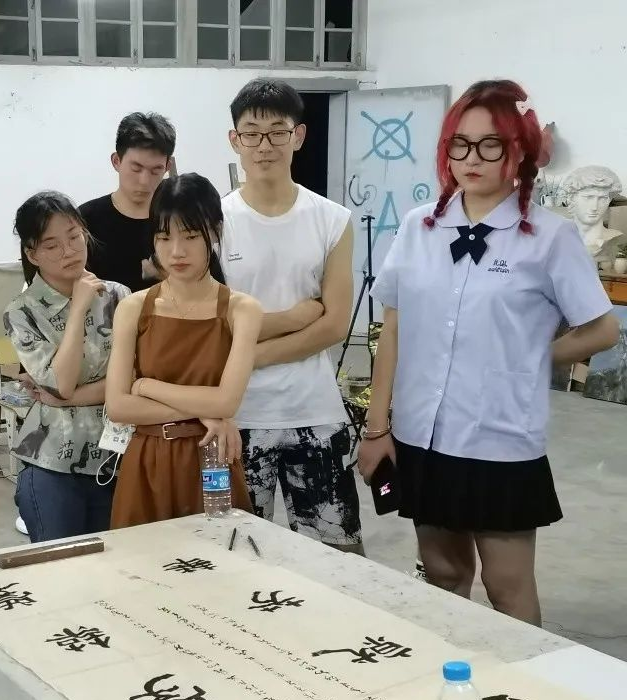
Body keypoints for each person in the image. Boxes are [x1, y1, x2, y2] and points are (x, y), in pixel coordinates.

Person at [357, 79, 618, 626]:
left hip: (500, 437)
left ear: (518, 149)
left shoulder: (549, 237)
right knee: (442, 571)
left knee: (507, 585)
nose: (471, 158)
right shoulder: (419, 227)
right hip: (424, 433)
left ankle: (522, 677)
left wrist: (532, 355)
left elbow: (601, 330)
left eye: (489, 144)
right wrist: (377, 428)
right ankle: (450, 666)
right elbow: (393, 329)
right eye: (460, 143)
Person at [222, 78, 364, 554]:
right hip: (235, 417)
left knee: (336, 559)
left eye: (277, 131)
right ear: (235, 140)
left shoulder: (332, 220)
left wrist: (248, 356)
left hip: (314, 411)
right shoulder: (214, 222)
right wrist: (295, 318)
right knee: (233, 556)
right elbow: (214, 324)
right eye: (252, 133)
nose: (264, 145)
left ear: (298, 136)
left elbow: (334, 324)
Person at [106, 173, 261, 528]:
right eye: (164, 238)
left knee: (219, 554)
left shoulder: (241, 310)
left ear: (215, 232)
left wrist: (144, 386)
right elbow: (118, 407)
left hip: (213, 458)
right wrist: (203, 411)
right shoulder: (133, 307)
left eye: (190, 236)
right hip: (147, 460)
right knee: (143, 560)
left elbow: (226, 403)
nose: (176, 251)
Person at [4, 192, 128, 542]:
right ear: (32, 254)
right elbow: (61, 382)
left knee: (121, 566)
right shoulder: (21, 312)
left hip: (119, 459)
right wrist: (77, 309)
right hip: (52, 464)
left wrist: (69, 399)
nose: (69, 250)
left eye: (74, 237)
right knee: (61, 567)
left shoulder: (119, 297)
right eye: (52, 245)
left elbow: (135, 380)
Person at [80, 112, 176, 293]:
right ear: (116, 161)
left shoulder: (179, 219)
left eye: (156, 170)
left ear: (167, 167)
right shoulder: (85, 221)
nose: (144, 181)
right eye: (136, 168)